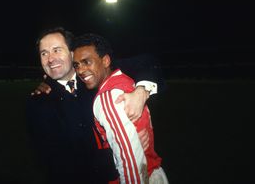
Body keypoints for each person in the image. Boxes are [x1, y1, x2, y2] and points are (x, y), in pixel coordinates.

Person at [26, 27, 162, 184]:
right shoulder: (37, 102)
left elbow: (147, 63)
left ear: (72, 53)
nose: (50, 59)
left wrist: (142, 90)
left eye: (56, 50)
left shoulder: (95, 75)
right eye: (44, 53)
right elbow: (52, 162)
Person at [72, 33, 169, 184]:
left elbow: (130, 161)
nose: (81, 70)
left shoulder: (108, 96)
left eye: (87, 62)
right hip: (153, 172)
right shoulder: (126, 79)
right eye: (77, 65)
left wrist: (143, 89)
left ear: (105, 60)